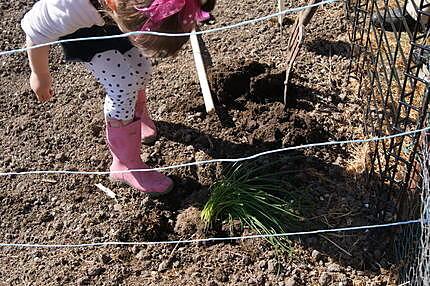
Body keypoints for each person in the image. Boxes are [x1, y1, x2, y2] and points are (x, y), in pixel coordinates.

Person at [21, 0, 216, 196]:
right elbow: (36, 30)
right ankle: (125, 165)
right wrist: (40, 74)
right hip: (86, 36)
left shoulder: (128, 7)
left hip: (115, 22)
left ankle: (136, 118)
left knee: (143, 69)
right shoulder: (68, 7)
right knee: (122, 87)